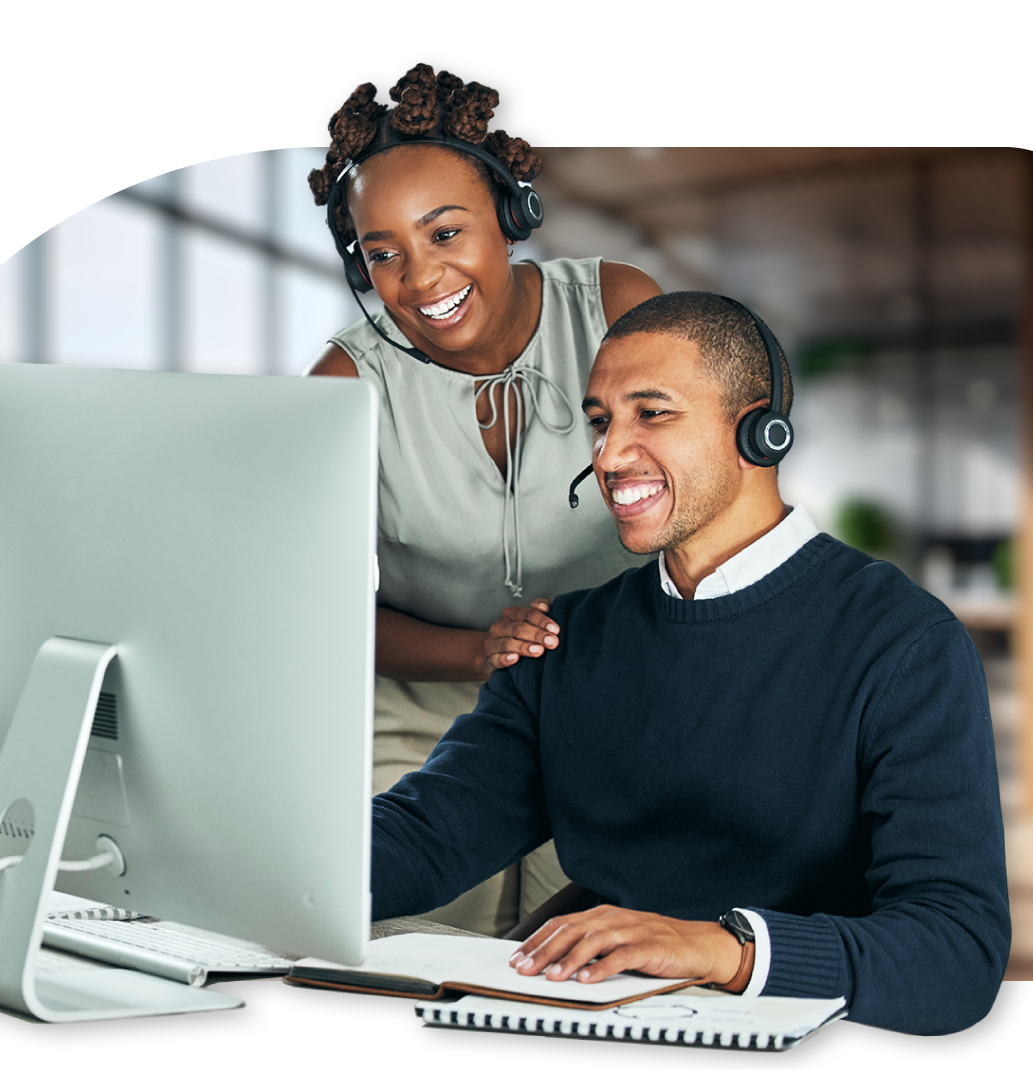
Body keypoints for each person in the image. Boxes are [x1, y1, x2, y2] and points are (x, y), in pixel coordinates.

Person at [369, 292, 1010, 1035]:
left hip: (790, 1026)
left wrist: (720, 950)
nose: (609, 456)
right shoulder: (566, 637)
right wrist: (257, 863)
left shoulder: (905, 645)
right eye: (601, 422)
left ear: (759, 430)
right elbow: (430, 833)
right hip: (592, 1012)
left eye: (653, 413)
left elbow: (956, 955)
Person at [305, 64, 662, 936]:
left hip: (610, 710)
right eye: (382, 252)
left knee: (575, 964)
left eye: (445, 232)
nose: (420, 279)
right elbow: (317, 614)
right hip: (418, 719)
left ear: (513, 216)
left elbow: (705, 507)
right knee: (400, 949)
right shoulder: (344, 384)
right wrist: (476, 654)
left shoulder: (623, 308)